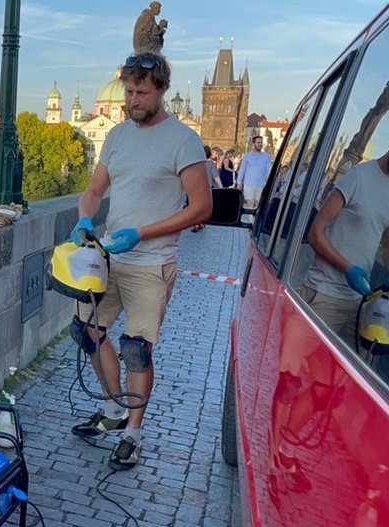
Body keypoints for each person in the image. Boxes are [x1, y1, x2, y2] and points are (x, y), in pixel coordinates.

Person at [69, 51, 211, 470]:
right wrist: (83, 218)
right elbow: (94, 189)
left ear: (161, 91)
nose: (132, 101)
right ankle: (113, 414)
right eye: (129, 92)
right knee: (86, 331)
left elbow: (202, 207)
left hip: (152, 263)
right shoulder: (117, 136)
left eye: (141, 93)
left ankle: (133, 433)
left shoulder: (183, 140)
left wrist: (143, 233)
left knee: (136, 351)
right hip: (109, 257)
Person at [301, 113, 389, 346]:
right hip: (325, 294)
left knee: (345, 377)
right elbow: (316, 232)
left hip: (360, 302)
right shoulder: (358, 175)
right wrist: (348, 268)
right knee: (304, 368)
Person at [238, 135, 273, 208]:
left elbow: (269, 171)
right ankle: (251, 220)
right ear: (253, 143)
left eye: (261, 143)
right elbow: (242, 170)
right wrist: (239, 183)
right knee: (250, 204)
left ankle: (255, 219)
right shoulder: (247, 156)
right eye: (258, 142)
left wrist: (268, 182)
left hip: (261, 185)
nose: (260, 144)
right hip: (248, 185)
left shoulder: (266, 156)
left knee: (258, 205)